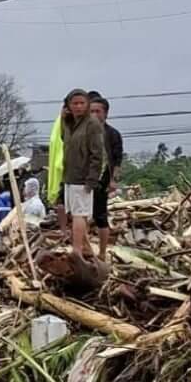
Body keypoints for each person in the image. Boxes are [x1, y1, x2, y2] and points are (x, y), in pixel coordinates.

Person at [58, 89, 107, 258]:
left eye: (82, 103)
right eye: (74, 103)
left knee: (80, 214)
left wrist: (92, 178)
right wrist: (63, 119)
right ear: (68, 106)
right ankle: (85, 248)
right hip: (70, 176)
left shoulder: (92, 124)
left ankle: (77, 250)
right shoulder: (70, 123)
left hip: (83, 177)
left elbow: (97, 154)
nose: (78, 107)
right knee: (76, 214)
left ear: (87, 105)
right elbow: (64, 140)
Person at [88, 94, 123, 259]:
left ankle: (102, 253)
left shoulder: (113, 134)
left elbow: (117, 161)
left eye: (98, 111)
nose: (94, 114)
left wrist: (114, 181)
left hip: (102, 180)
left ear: (105, 113)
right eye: (91, 111)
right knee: (78, 214)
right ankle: (84, 249)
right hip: (82, 179)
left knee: (100, 216)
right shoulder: (83, 132)